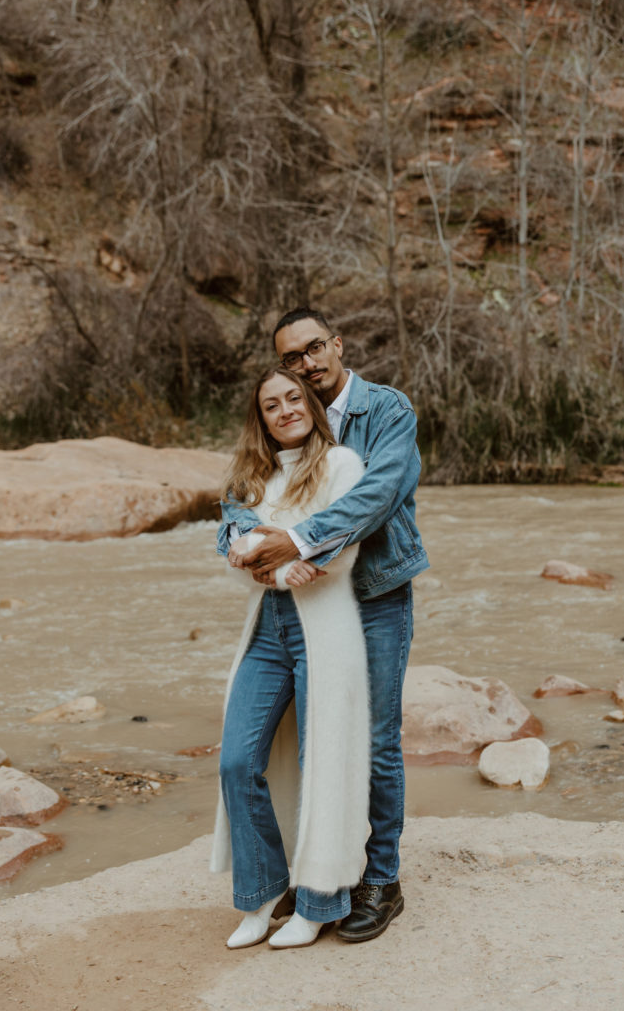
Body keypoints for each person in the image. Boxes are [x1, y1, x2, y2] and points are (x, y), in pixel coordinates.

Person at [218, 306, 429, 942]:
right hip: (301, 604)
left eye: (315, 349)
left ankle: (380, 881)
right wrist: (245, 542)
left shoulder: (386, 411)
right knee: (290, 743)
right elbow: (239, 498)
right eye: (292, 358)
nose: (307, 364)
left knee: (373, 739)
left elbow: (378, 495)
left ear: (337, 344)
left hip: (376, 592)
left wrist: (294, 542)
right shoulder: (283, 427)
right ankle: (304, 877)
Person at [210, 367, 371, 950]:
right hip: (266, 630)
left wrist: (264, 550)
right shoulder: (250, 479)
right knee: (236, 760)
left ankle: (319, 902)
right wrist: (275, 562)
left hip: (324, 631)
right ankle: (261, 894)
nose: (285, 410)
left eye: (293, 399)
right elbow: (236, 552)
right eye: (272, 405)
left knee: (321, 762)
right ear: (262, 418)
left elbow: (340, 554)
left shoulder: (341, 467)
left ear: (311, 405)